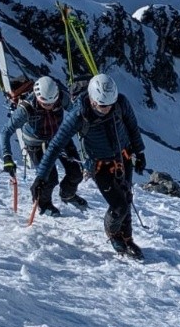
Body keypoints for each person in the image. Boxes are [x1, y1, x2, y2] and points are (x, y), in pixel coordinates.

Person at [34, 72, 146, 257]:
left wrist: (139, 152)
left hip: (124, 157)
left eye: (110, 104)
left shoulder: (120, 102)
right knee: (119, 206)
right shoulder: (78, 115)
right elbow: (55, 146)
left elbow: (132, 126)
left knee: (126, 198)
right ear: (93, 100)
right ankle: (113, 235)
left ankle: (127, 238)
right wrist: (41, 176)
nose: (107, 109)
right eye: (102, 105)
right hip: (100, 165)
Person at [0, 76, 86, 216]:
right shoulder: (26, 108)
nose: (50, 106)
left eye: (52, 103)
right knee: (49, 178)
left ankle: (67, 194)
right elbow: (6, 131)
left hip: (59, 137)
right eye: (45, 104)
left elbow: (76, 110)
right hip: (36, 144)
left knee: (76, 172)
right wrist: (7, 157)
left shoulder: (61, 98)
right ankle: (42, 204)